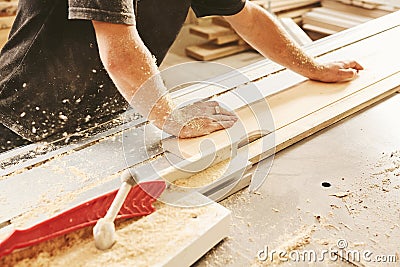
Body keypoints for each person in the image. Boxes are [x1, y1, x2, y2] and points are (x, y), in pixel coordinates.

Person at [0, 0, 363, 153]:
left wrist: (312, 66)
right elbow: (120, 50)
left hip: (105, 115)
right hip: (20, 119)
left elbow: (246, 16)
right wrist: (171, 116)